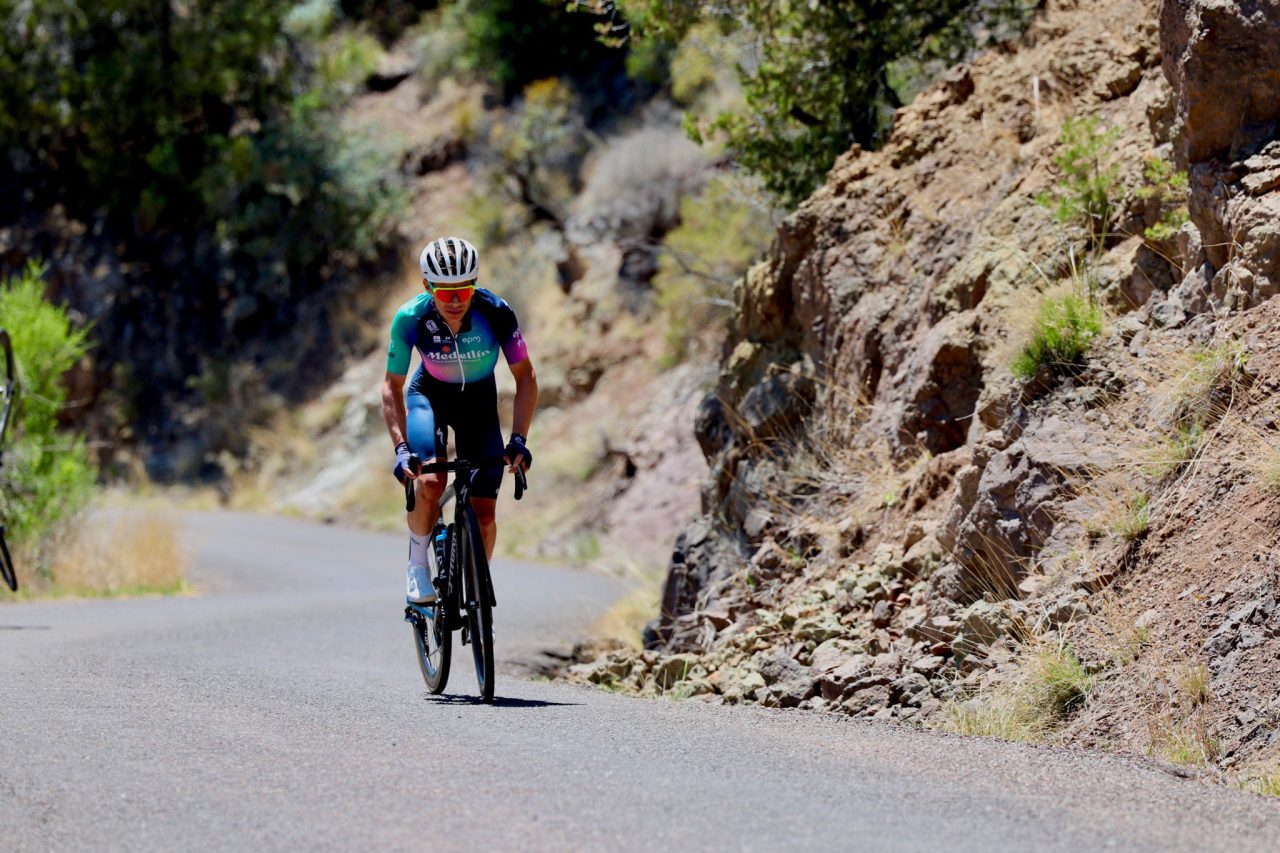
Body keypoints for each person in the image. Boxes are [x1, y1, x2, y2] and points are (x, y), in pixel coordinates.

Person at [380, 236, 537, 604]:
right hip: (428, 398)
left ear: (475, 284)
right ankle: (417, 565)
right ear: (426, 286)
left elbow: (526, 377)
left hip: (479, 402)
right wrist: (401, 448)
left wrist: (518, 439)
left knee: (484, 515)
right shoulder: (411, 318)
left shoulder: (496, 312)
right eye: (443, 290)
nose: (454, 301)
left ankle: (479, 599)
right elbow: (392, 386)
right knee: (432, 481)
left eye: (463, 289)